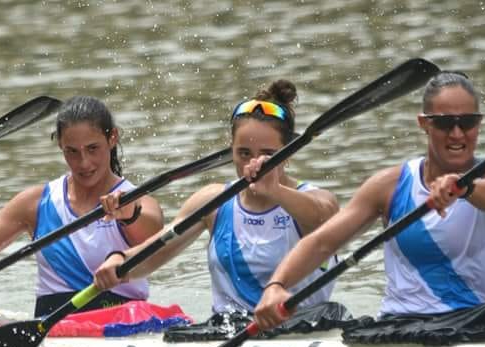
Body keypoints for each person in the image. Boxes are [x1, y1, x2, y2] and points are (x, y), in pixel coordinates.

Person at [254, 72, 485, 333]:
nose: (457, 134)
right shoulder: (389, 185)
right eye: (445, 123)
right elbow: (322, 242)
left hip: (479, 323)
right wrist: (276, 285)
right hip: (402, 327)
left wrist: (466, 187)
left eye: (467, 122)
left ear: (479, 123)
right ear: (424, 123)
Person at [92, 80, 341, 326]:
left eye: (268, 155)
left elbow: (325, 218)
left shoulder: (316, 199)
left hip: (302, 327)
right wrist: (120, 260)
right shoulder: (213, 202)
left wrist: (275, 190)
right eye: (244, 153)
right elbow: (154, 253)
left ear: (288, 153)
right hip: (229, 328)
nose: (255, 163)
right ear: (232, 151)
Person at [0, 96, 164, 317]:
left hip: (121, 325)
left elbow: (156, 239)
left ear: (112, 138)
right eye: (72, 151)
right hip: (52, 330)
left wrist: (129, 215)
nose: (84, 162)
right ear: (60, 145)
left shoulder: (138, 201)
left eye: (93, 148)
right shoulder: (35, 203)